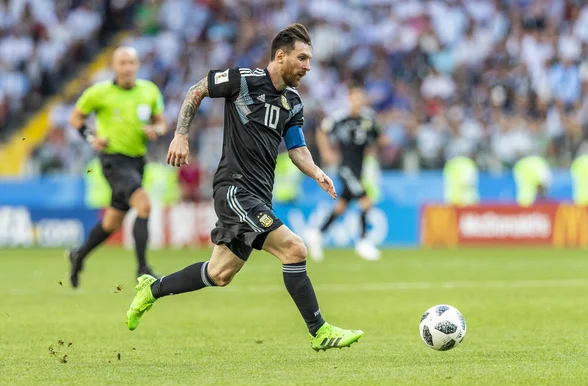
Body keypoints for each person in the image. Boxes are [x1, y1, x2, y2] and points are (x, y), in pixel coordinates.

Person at [125, 24, 363, 352]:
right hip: (234, 191)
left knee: (219, 273)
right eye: (303, 58)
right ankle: (319, 330)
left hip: (258, 195)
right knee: (295, 249)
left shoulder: (292, 102)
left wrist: (316, 172)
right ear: (280, 56)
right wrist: (180, 134)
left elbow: (296, 149)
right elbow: (197, 90)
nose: (308, 66)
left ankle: (152, 289)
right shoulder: (244, 80)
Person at [67, 46, 166, 288]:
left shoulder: (149, 91)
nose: (127, 67)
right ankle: (143, 269)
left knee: (112, 222)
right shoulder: (99, 93)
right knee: (144, 205)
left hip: (137, 161)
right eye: (122, 62)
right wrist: (91, 137)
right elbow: (76, 118)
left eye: (131, 62)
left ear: (137, 65)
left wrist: (157, 130)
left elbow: (161, 122)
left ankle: (78, 254)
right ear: (114, 66)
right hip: (112, 160)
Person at [305, 84, 387, 262]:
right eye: (355, 97)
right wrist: (326, 152)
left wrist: (379, 144)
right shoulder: (339, 118)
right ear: (349, 99)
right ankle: (363, 241)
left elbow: (380, 138)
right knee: (366, 201)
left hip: (360, 169)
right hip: (345, 168)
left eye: (361, 97)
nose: (358, 101)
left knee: (341, 207)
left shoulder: (368, 119)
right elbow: (322, 131)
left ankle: (317, 233)